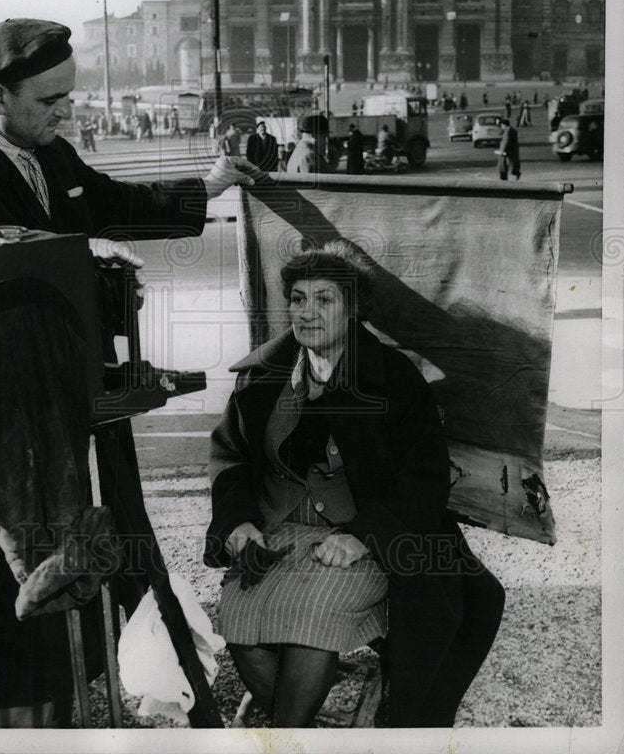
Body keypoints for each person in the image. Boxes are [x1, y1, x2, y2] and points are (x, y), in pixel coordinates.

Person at [0, 18, 259, 726]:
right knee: (9, 583)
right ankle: (3, 720)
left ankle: (114, 679)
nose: (65, 114)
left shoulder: (49, 153)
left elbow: (116, 204)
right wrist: (72, 248)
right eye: (48, 101)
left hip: (81, 397)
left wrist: (207, 186)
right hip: (4, 426)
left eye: (69, 98)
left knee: (115, 546)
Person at [204, 242, 505, 727]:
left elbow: (424, 477)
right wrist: (237, 520)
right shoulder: (264, 376)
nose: (307, 312)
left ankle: (289, 738)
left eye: (324, 299)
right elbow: (231, 456)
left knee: (311, 623)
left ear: (354, 309)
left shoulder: (393, 379)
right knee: (241, 629)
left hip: (360, 534)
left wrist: (364, 535)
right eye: (298, 299)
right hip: (278, 532)